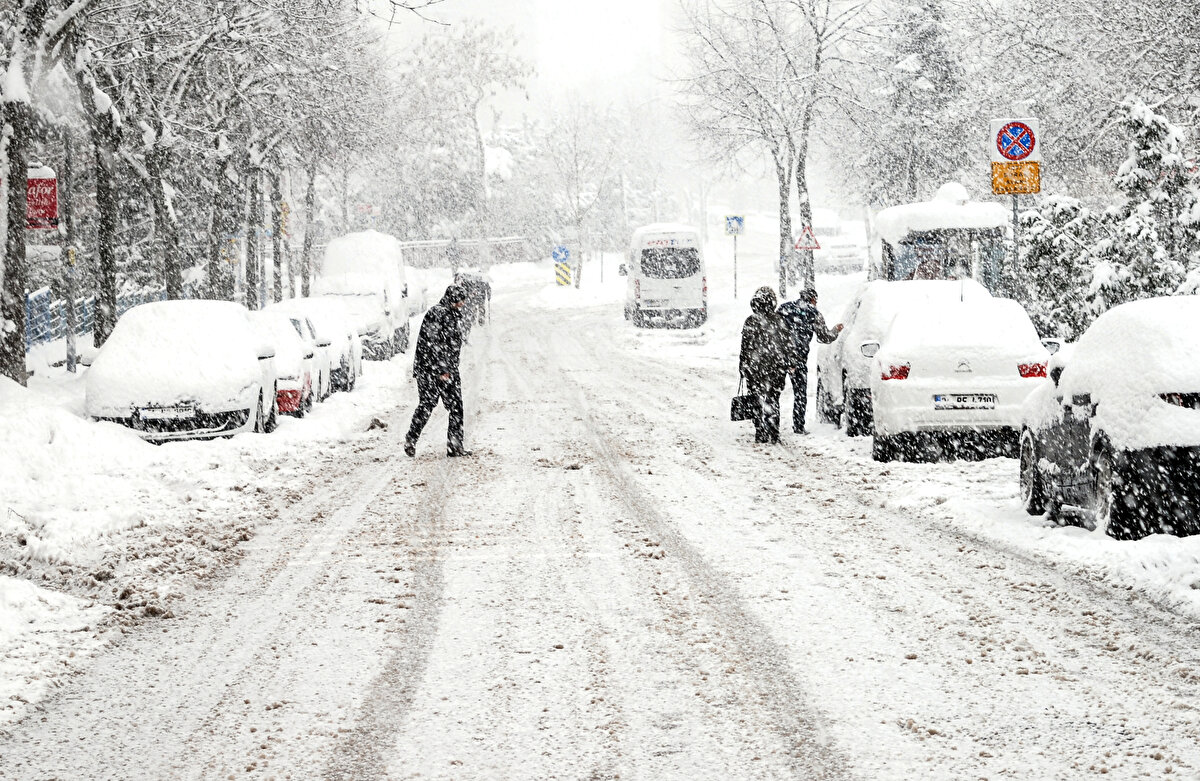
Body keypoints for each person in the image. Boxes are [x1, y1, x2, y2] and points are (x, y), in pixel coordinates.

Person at [405, 284, 470, 457]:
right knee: (437, 405)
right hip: (434, 370)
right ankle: (413, 439)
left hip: (441, 369)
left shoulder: (449, 314)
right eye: (460, 300)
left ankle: (453, 445)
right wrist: (442, 369)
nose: (463, 304)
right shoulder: (438, 314)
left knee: (442, 405)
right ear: (453, 299)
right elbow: (433, 343)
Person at [777, 287, 843, 434]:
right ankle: (798, 426)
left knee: (774, 392)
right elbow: (825, 337)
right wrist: (836, 330)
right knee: (800, 393)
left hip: (779, 357)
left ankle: (770, 422)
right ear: (813, 300)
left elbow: (773, 329)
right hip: (798, 359)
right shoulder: (813, 313)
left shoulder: (784, 308)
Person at [740, 287, 799, 444]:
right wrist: (790, 362)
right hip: (776, 368)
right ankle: (773, 430)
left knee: (756, 397)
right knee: (773, 398)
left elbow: (745, 347)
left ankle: (760, 430)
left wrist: (743, 365)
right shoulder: (780, 321)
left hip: (755, 368)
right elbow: (789, 344)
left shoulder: (751, 321)